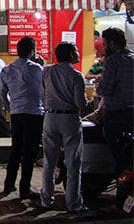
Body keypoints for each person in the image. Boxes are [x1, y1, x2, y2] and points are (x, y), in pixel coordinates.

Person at [39, 42, 89, 213]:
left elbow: (42, 93)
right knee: (73, 163)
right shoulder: (76, 76)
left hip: (50, 116)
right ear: (69, 55)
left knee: (49, 161)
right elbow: (80, 103)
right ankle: (73, 203)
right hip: (69, 118)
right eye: (75, 50)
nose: (78, 53)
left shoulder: (47, 71)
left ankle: (46, 199)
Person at [0, 36, 44, 199]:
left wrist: (10, 107)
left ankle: (8, 184)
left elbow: (2, 93)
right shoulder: (37, 69)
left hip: (17, 113)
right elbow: (43, 92)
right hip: (34, 112)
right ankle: (24, 187)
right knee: (29, 152)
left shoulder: (7, 69)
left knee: (15, 149)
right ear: (32, 51)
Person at [95, 27, 134, 178]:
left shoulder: (113, 61)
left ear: (112, 44)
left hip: (116, 115)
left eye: (104, 44)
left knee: (113, 144)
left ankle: (121, 176)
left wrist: (99, 83)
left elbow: (104, 90)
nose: (103, 48)